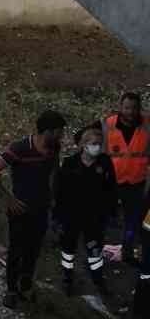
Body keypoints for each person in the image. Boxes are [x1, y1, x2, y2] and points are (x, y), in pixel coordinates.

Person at [0, 109, 67, 309]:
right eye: (58, 131)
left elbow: (54, 172)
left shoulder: (53, 148)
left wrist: (55, 198)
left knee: (33, 250)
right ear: (47, 131)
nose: (61, 136)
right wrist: (8, 199)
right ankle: (11, 291)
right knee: (16, 250)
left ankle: (25, 285)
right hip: (20, 209)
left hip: (42, 208)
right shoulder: (20, 148)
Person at [54, 121, 116, 297]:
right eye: (93, 143)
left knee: (95, 251)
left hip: (95, 218)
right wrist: (57, 216)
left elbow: (111, 189)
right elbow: (60, 192)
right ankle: (67, 280)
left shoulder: (105, 163)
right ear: (83, 144)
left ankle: (98, 281)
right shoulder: (69, 163)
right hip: (71, 216)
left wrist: (111, 213)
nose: (97, 147)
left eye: (99, 143)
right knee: (68, 250)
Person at [103, 92, 148, 263]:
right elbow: (85, 139)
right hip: (112, 181)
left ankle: (128, 251)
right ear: (120, 107)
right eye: (127, 107)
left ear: (139, 109)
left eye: (134, 108)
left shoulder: (147, 125)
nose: (130, 112)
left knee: (133, 220)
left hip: (137, 182)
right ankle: (95, 249)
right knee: (103, 216)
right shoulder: (107, 124)